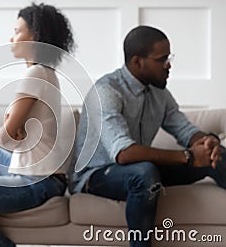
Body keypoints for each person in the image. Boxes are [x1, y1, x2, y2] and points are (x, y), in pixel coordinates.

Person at [69, 25, 226, 247]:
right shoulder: (105, 92)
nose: (169, 65)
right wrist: (188, 157)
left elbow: (184, 130)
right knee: (143, 172)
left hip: (140, 168)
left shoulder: (159, 92)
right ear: (137, 62)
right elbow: (123, 154)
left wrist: (206, 141)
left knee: (218, 155)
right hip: (95, 175)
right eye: (162, 59)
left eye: (169, 57)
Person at [0, 3, 75, 247]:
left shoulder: (34, 75)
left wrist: (10, 127)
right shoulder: (47, 72)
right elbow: (13, 135)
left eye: (16, 31)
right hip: (34, 174)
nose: (11, 38)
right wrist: (13, 127)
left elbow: (6, 137)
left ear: (34, 35)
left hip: (38, 181)